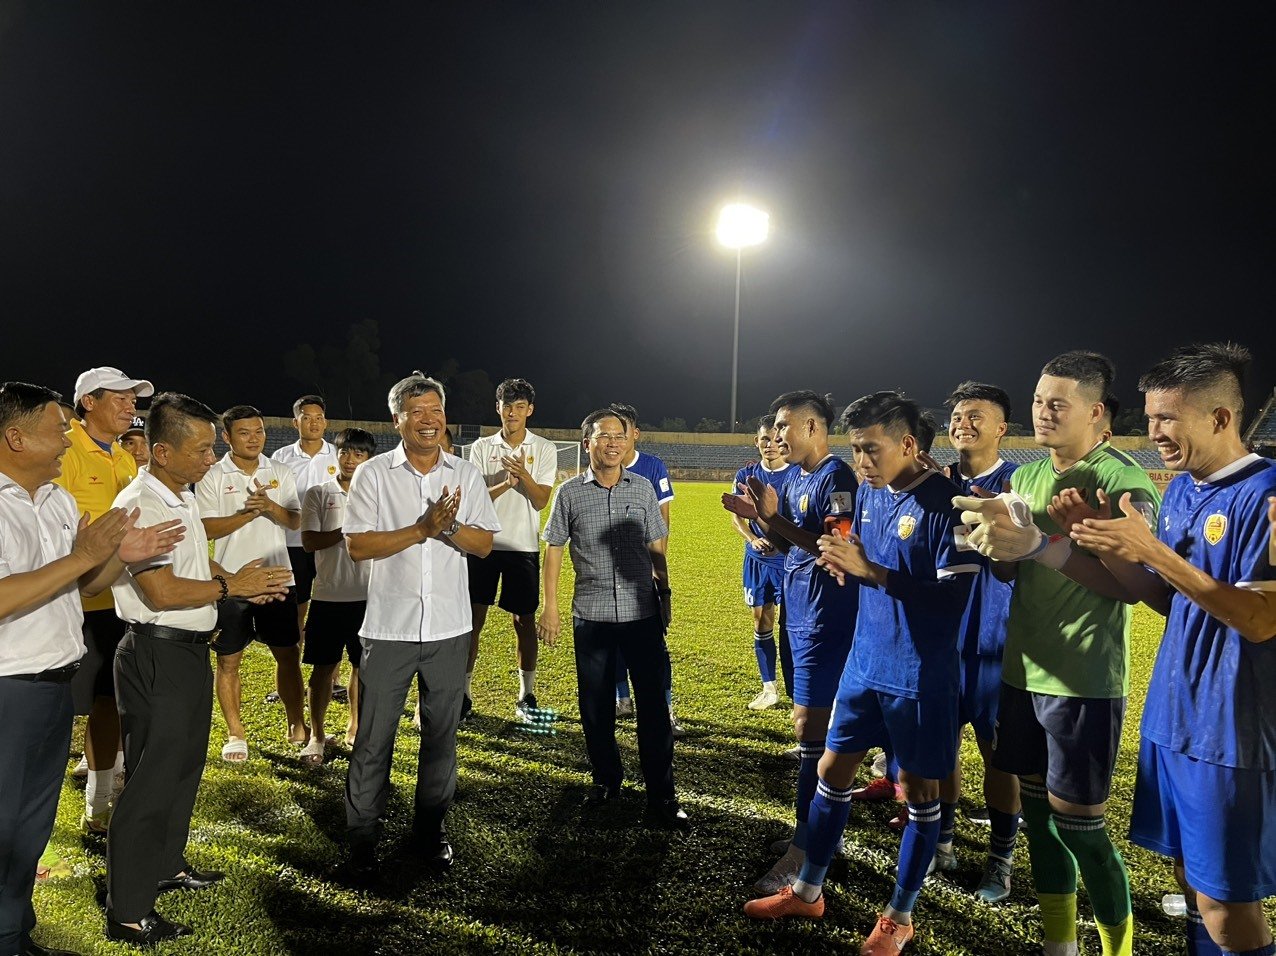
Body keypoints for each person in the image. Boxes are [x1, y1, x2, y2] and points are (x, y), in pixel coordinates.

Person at [745, 392, 977, 956]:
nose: (862, 462)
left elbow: (954, 601)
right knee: (831, 768)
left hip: (920, 675)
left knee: (921, 794)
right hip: (864, 662)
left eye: (871, 449)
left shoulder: (954, 506)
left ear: (907, 444)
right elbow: (853, 557)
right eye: (855, 449)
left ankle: (899, 917)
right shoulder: (871, 494)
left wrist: (867, 569)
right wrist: (836, 558)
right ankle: (809, 890)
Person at [1069, 343, 1276, 956]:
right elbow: (1169, 600)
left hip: (1229, 731)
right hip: (1174, 715)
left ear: (1219, 417)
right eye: (1150, 415)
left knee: (1224, 900)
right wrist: (1106, 544)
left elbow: (1261, 620)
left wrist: (1153, 550)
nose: (1153, 431)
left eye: (1167, 418)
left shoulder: (1266, 495)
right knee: (1190, 879)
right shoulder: (1185, 490)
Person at [956, 351, 1161, 956]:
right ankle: (1059, 944)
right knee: (1040, 820)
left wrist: (1041, 542)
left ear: (1096, 412)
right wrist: (996, 546)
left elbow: (1135, 591)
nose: (1042, 413)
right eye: (1039, 401)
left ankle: (1117, 950)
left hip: (1083, 678)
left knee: (1083, 827)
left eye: (1057, 404)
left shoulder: (1122, 481)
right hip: (1022, 672)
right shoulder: (1024, 478)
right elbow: (1013, 571)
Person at [0, 381, 180, 956]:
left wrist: (116, 561)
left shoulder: (54, 499)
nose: (65, 442)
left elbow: (81, 587)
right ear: (15, 436)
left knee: (30, 828)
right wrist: (84, 556)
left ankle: (13, 932)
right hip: (7, 687)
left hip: (52, 681)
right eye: (57, 430)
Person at [106, 391, 288, 944]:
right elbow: (159, 591)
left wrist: (229, 577)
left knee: (182, 771)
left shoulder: (176, 493)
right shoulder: (142, 502)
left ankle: (165, 866)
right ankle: (129, 910)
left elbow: (190, 559)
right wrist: (233, 586)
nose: (212, 459)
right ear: (162, 451)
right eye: (203, 449)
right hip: (157, 650)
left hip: (183, 653)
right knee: (150, 781)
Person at [342, 373, 500, 881]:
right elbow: (358, 546)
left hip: (449, 629)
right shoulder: (373, 475)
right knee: (373, 739)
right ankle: (362, 841)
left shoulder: (466, 474)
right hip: (388, 628)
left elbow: (483, 545)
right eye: (418, 411)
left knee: (441, 739)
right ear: (398, 419)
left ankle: (430, 838)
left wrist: (447, 526)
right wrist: (420, 529)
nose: (429, 419)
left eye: (436, 409)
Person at [722, 390, 858, 894]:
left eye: (784, 425)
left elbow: (833, 542)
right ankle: (819, 835)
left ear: (813, 427)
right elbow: (787, 541)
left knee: (811, 731)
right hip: (799, 614)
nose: (777, 435)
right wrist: (763, 520)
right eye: (775, 426)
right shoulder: (799, 478)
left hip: (827, 619)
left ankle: (806, 849)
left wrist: (774, 520)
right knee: (814, 733)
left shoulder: (836, 476)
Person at [537, 409, 688, 829]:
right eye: (604, 436)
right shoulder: (569, 494)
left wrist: (665, 592)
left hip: (642, 613)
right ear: (587, 443)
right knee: (596, 707)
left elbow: (657, 546)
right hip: (593, 615)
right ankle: (606, 781)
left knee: (654, 707)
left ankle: (662, 794)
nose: (613, 443)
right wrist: (549, 606)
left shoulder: (642, 490)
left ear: (628, 440)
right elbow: (552, 549)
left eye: (619, 435)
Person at [55, 366, 153, 835]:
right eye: (121, 397)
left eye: (133, 399)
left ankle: (97, 802)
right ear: (88, 401)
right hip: (66, 604)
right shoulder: (63, 449)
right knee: (54, 711)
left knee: (107, 701)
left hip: (113, 601)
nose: (131, 406)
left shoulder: (123, 458)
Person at [935, 381, 1022, 902]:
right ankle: (942, 840)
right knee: (941, 749)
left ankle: (1001, 858)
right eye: (958, 415)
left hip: (995, 636)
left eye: (977, 416)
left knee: (997, 756)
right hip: (941, 637)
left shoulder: (1018, 483)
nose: (964, 423)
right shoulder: (936, 482)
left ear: (1001, 427)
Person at [195, 405, 308, 761]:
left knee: (288, 654)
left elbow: (293, 521)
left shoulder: (280, 471)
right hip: (231, 581)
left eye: (258, 431)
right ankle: (235, 732)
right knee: (229, 660)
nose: (254, 438)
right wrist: (246, 514)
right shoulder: (213, 475)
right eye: (244, 432)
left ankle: (297, 722)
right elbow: (205, 528)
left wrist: (269, 507)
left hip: (277, 578)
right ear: (227, 437)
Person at [465, 378, 557, 721]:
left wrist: (524, 475)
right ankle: (464, 694)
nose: (512, 413)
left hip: (522, 545)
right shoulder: (480, 447)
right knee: (473, 621)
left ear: (529, 411)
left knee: (524, 621)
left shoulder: (544, 448)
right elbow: (473, 502)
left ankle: (526, 694)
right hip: (483, 544)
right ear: (498, 408)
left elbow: (541, 500)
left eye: (520, 407)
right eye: (507, 406)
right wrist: (506, 482)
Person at [299, 427, 375, 766]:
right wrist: (346, 532)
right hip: (328, 596)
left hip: (369, 597)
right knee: (322, 669)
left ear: (369, 459)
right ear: (337, 455)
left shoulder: (378, 496)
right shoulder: (318, 493)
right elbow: (310, 542)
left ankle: (355, 727)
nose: (350, 459)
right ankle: (316, 735)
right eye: (345, 452)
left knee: (364, 668)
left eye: (359, 454)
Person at [608, 403, 682, 733]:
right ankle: (622, 699)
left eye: (621, 432)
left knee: (654, 644)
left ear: (634, 434)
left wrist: (658, 570)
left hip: (644, 571)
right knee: (615, 640)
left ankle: (665, 708)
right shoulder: (602, 467)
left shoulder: (652, 467)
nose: (616, 440)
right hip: (609, 572)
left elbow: (662, 523)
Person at [729, 415, 794, 710]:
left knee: (790, 625)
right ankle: (769, 688)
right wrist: (750, 538)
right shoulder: (746, 475)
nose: (770, 445)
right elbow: (736, 515)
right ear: (757, 442)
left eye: (775, 439)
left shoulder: (795, 475)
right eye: (764, 439)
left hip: (789, 561)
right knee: (761, 619)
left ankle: (797, 688)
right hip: (757, 560)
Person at [271, 395, 339, 647]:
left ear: (326, 422)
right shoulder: (281, 457)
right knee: (296, 608)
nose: (314, 423)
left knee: (330, 606)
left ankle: (330, 679)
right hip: (293, 543)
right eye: (307, 417)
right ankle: (294, 670)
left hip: (328, 544)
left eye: (319, 418)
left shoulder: (337, 455)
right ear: (295, 422)